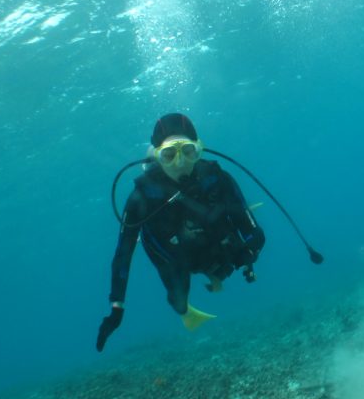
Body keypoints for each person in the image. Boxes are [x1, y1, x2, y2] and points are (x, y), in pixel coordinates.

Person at [96, 113, 266, 351]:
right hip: (171, 255)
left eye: (188, 151)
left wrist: (251, 248)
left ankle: (216, 273)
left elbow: (251, 229)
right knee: (179, 297)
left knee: (231, 257)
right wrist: (116, 306)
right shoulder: (142, 196)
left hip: (207, 240)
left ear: (199, 150)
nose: (180, 163)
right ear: (157, 155)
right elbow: (123, 252)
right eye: (169, 155)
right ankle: (184, 307)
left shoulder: (217, 179)